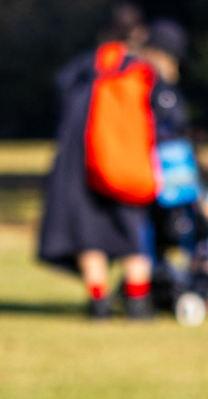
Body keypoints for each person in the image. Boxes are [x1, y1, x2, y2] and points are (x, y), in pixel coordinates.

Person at [36, 10, 158, 320]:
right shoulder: (142, 71)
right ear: (139, 34)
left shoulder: (85, 67)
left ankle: (98, 302)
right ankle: (137, 302)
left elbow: (59, 94)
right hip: (129, 164)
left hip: (82, 164)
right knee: (133, 235)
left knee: (90, 236)